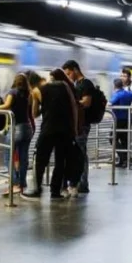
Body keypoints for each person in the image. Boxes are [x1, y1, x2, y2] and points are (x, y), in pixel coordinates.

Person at [26, 69, 78, 201]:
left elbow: (35, 114)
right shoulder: (65, 87)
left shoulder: (37, 91)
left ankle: (36, 189)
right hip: (65, 130)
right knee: (60, 161)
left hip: (48, 130)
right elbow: (74, 108)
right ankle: (55, 191)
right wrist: (74, 128)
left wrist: (35, 99)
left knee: (40, 160)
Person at [0, 73, 33, 195]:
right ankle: (22, 184)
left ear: (15, 81)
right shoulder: (28, 94)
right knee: (23, 158)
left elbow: (7, 106)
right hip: (27, 128)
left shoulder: (13, 92)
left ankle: (15, 184)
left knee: (8, 157)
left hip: (16, 128)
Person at [62, 60, 97, 196]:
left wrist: (72, 103)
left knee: (80, 154)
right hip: (78, 124)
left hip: (83, 125)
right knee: (80, 153)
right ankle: (81, 182)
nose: (69, 75)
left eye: (69, 72)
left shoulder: (86, 84)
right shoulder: (76, 84)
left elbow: (87, 102)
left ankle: (82, 183)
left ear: (76, 69)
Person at [110, 78, 132, 168]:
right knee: (124, 140)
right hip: (128, 120)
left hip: (118, 120)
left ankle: (123, 157)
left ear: (115, 86)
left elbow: (109, 104)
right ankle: (124, 161)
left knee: (112, 138)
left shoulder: (117, 95)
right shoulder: (128, 93)